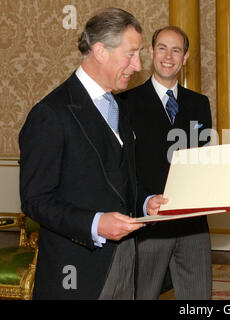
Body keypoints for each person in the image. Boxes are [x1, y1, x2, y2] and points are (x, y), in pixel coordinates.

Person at [19, 8, 147, 299]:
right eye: (131, 54)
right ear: (100, 51)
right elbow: (35, 200)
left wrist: (148, 201)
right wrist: (94, 223)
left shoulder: (120, 108)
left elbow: (124, 182)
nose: (138, 65)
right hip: (75, 271)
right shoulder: (50, 114)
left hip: (125, 259)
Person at [119, 26, 212, 299]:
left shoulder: (199, 104)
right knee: (141, 294)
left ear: (185, 57)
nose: (168, 56)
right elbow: (121, 167)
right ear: (150, 52)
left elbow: (202, 159)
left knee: (199, 300)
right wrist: (144, 200)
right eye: (162, 48)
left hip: (193, 223)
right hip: (148, 222)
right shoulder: (125, 102)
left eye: (176, 50)